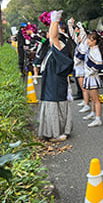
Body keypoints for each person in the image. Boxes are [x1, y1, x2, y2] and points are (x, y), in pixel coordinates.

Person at [38, 10, 74, 142]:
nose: (49, 35)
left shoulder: (60, 47)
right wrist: (52, 22)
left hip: (56, 84)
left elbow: (53, 37)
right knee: (52, 103)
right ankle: (53, 132)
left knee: (55, 104)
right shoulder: (53, 49)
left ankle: (58, 133)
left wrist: (55, 20)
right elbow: (52, 37)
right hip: (52, 83)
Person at [82, 31, 103, 127]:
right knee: (92, 97)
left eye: (90, 39)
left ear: (95, 41)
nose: (88, 41)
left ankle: (98, 118)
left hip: (93, 77)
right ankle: (93, 112)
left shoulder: (96, 51)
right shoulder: (90, 49)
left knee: (96, 99)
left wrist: (92, 71)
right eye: (87, 39)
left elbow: (99, 63)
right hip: (89, 76)